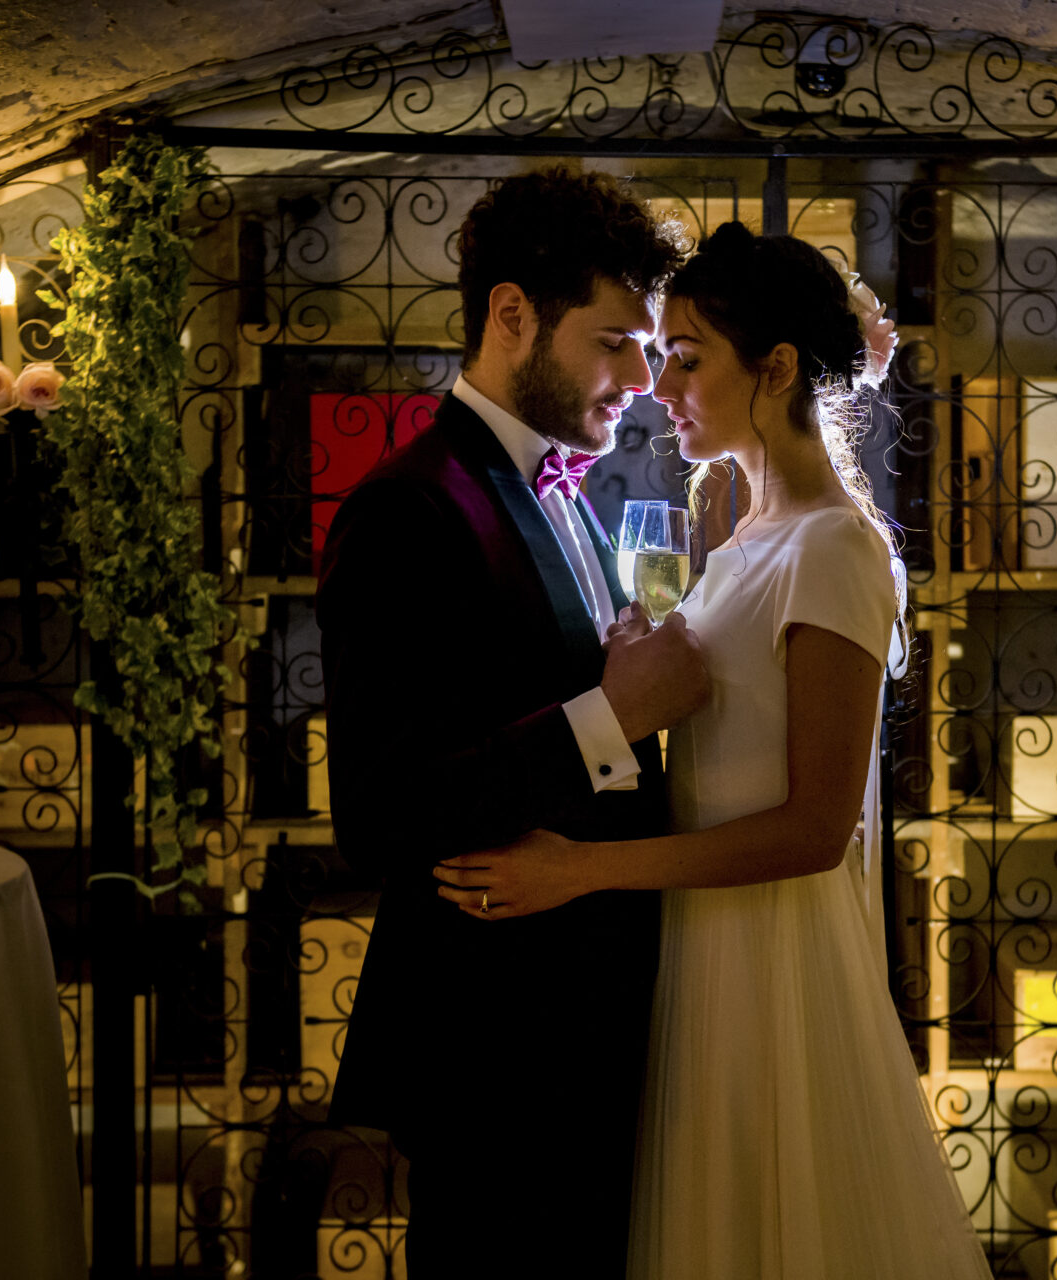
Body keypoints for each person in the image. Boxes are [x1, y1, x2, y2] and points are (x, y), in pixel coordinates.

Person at [435, 223, 996, 1279]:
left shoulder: (834, 546)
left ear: (775, 368)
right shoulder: (740, 533)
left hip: (773, 960)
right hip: (698, 947)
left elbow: (816, 830)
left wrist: (580, 869)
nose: (660, 387)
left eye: (687, 357)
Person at [316, 168, 709, 1277]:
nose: (641, 378)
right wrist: (611, 717)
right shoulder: (407, 507)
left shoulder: (566, 488)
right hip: (495, 1042)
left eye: (649, 349)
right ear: (511, 314)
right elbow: (381, 814)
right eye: (614, 342)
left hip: (587, 1021)